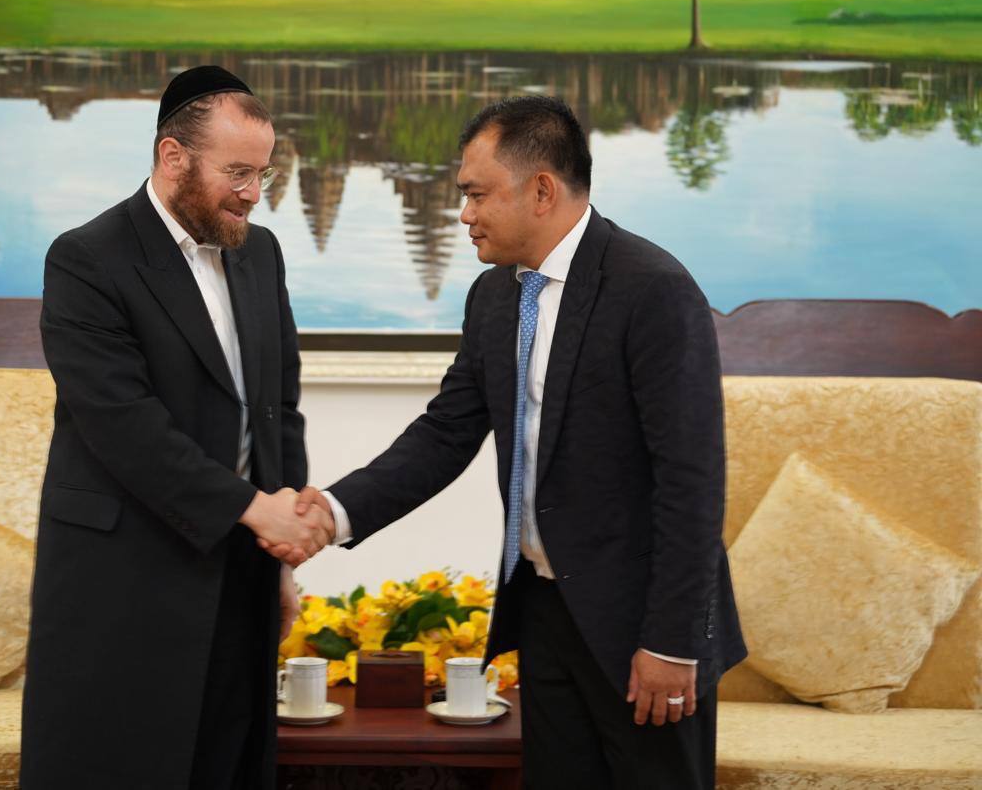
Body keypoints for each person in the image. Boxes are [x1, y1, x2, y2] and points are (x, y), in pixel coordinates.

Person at [290, 96, 745, 789]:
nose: (463, 214)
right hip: (544, 614)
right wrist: (331, 511)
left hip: (642, 626)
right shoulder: (494, 297)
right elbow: (444, 435)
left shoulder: (653, 289)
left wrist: (672, 641)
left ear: (542, 191)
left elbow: (692, 479)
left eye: (477, 194)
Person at [21, 65, 334, 789]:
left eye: (263, 173)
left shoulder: (261, 251)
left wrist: (280, 558)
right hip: (122, 585)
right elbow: (124, 425)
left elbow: (278, 409)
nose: (254, 193)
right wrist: (256, 510)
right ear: (173, 157)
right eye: (237, 173)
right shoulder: (86, 258)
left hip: (240, 574)